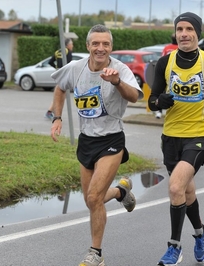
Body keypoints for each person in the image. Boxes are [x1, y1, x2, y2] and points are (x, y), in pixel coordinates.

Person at [50, 24, 144, 266]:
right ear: (88, 46)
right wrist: (57, 118)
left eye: (105, 44)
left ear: (111, 47)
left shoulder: (120, 69)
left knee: (94, 197)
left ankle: (96, 254)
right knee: (92, 200)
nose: (100, 48)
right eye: (96, 43)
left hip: (111, 140)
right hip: (86, 141)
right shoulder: (75, 68)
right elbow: (60, 88)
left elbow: (134, 96)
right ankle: (121, 192)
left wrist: (116, 83)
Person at [147, 12, 204, 265]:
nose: (183, 34)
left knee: (175, 188)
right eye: (179, 29)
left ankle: (174, 247)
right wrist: (158, 101)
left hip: (200, 134)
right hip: (171, 136)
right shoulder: (165, 63)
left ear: (197, 33)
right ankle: (200, 233)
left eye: (188, 29)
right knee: (186, 191)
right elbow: (152, 100)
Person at [45, 38, 74, 120]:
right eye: (71, 44)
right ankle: (49, 112)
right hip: (65, 75)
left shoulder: (58, 51)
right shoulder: (68, 52)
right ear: (68, 45)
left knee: (61, 93)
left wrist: (57, 68)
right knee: (60, 94)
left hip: (59, 74)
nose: (72, 46)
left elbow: (50, 62)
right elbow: (69, 64)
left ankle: (52, 112)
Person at [156, 34, 180, 119]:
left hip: (176, 74)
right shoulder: (168, 47)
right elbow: (162, 59)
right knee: (162, 92)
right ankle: (159, 111)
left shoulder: (177, 47)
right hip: (167, 72)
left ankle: (164, 111)